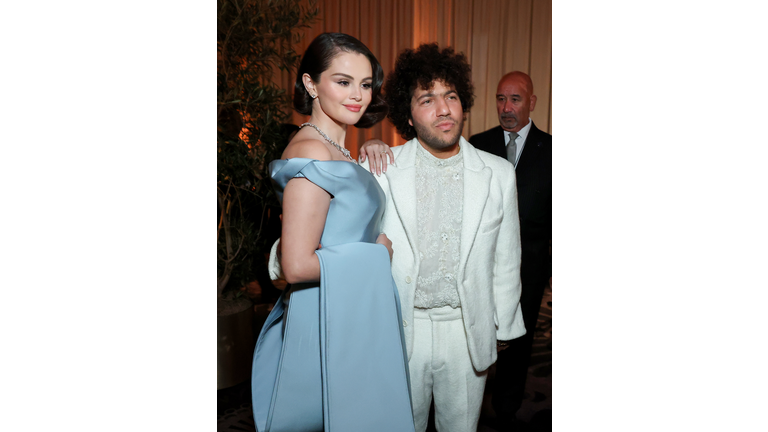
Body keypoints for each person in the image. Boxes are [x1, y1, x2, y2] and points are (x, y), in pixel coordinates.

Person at [250, 33, 415, 432]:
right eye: (343, 82)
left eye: (365, 84)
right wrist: (379, 254)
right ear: (311, 85)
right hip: (324, 313)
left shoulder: (337, 148)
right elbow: (296, 264)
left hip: (351, 305)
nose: (357, 95)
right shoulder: (309, 150)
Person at [358, 44, 526, 432]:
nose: (444, 109)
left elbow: (507, 259)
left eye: (451, 96)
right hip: (400, 329)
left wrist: (504, 328)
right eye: (427, 99)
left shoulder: (498, 173)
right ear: (409, 116)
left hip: (465, 332)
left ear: (463, 102)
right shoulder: (383, 168)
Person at [468, 71, 552, 431]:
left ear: (531, 103)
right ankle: (469, 399)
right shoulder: (476, 143)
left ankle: (506, 408)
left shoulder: (554, 150)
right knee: (476, 329)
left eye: (515, 99)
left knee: (518, 337)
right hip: (481, 261)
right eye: (501, 98)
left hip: (530, 265)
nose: (506, 107)